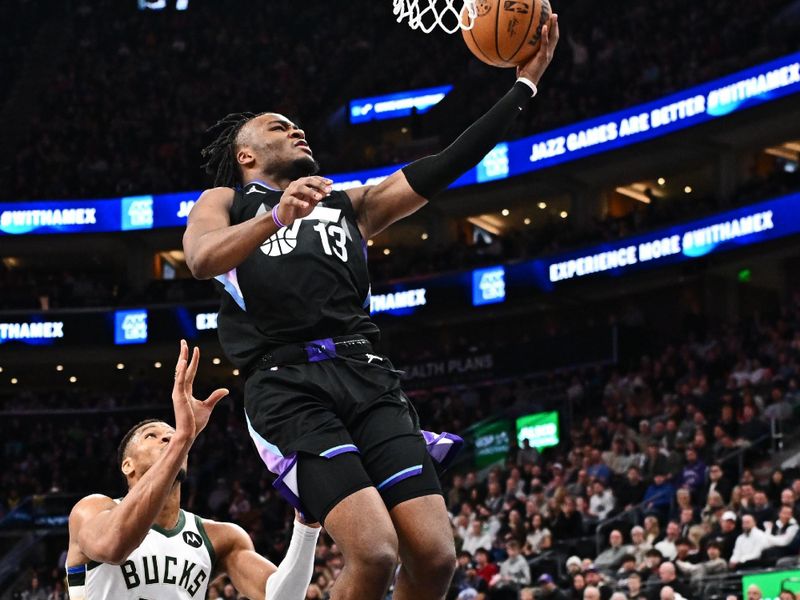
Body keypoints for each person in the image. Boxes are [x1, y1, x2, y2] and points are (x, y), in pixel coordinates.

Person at [182, 14, 561, 600]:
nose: (297, 131)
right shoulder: (225, 200)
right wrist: (276, 217)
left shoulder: (348, 203)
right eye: (280, 128)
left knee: (435, 557)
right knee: (375, 552)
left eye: (298, 125)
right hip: (287, 385)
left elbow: (447, 164)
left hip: (367, 375)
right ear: (247, 156)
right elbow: (202, 259)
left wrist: (524, 85)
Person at [66, 341, 320, 599]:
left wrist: (306, 525)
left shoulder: (220, 538)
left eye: (171, 435)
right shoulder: (91, 511)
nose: (168, 438)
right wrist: (183, 437)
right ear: (127, 465)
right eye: (151, 436)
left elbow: (282, 597)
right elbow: (114, 547)